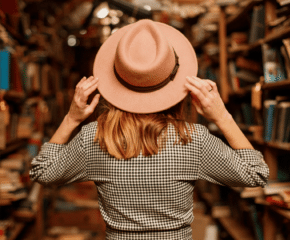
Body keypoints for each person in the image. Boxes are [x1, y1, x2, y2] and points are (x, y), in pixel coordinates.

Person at [29, 19, 269, 240]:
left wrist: (71, 118)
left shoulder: (95, 138)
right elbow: (256, 174)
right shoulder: (193, 139)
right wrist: (222, 115)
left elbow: (42, 172)